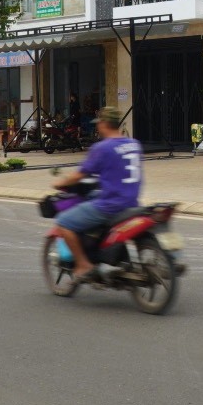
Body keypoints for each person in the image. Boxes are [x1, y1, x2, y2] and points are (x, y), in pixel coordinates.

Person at [52, 106, 142, 281]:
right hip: (132, 203)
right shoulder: (134, 144)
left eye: (99, 123)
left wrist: (60, 182)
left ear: (104, 124)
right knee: (93, 197)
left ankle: (83, 264)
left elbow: (80, 175)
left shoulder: (102, 148)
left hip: (109, 206)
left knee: (64, 222)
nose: (97, 127)